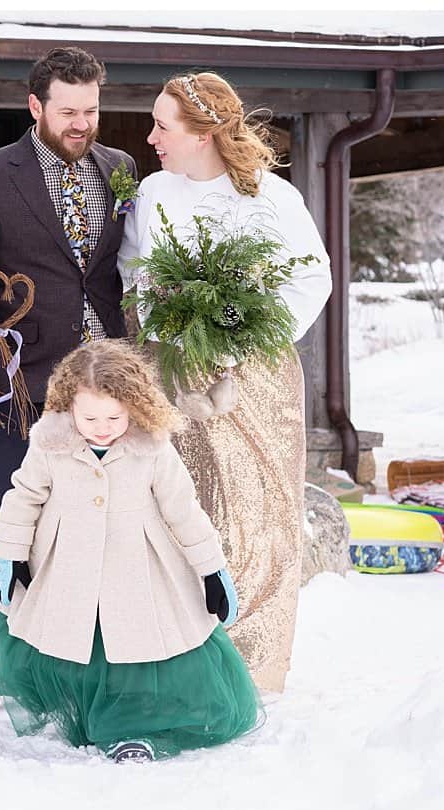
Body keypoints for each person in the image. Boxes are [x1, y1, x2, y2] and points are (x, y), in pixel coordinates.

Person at [118, 72, 332, 693]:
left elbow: (310, 279)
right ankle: (179, 660)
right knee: (179, 511)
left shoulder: (272, 197)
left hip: (255, 375)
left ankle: (255, 668)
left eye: (163, 124)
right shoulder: (155, 192)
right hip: (172, 372)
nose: (151, 136)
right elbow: (135, 272)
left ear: (203, 131)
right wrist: (172, 321)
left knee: (257, 513)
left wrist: (239, 332)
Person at [0, 46, 139, 696]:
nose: (82, 123)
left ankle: (92, 653)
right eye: (68, 111)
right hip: (18, 384)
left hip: (106, 386)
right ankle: (10, 653)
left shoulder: (121, 169)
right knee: (11, 518)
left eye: (91, 109)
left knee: (103, 518)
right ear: (36, 107)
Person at [0, 339, 259, 763]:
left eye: (114, 416)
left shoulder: (152, 447)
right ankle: (86, 714)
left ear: (134, 405)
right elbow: (24, 496)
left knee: (137, 647)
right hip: (69, 568)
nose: (101, 427)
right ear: (67, 406)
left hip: (139, 568)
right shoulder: (50, 444)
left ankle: (135, 727)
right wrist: (10, 554)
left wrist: (211, 569)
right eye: (90, 416)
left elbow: (182, 510)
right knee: (79, 641)